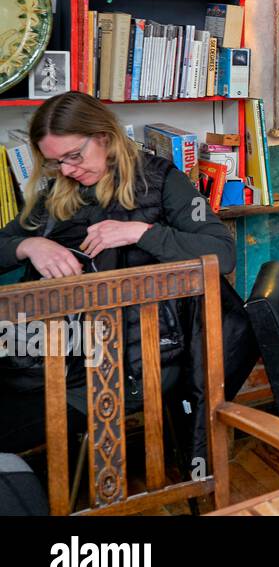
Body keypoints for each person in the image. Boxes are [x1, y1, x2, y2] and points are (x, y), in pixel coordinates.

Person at [0, 91, 257, 468]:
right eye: (55, 162)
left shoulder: (164, 180)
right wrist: (30, 245)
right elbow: (8, 241)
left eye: (74, 156)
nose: (67, 170)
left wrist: (142, 233)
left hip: (146, 361)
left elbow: (223, 253)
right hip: (70, 354)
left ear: (104, 136)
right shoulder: (58, 192)